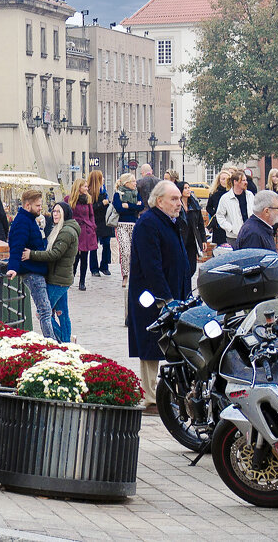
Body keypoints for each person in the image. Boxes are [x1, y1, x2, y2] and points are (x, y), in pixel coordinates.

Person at [127, 180, 192, 411]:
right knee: (150, 345)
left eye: (179, 198)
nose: (179, 203)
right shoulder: (148, 222)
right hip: (152, 298)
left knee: (174, 343)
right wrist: (165, 297)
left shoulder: (171, 221)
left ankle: (174, 394)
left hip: (175, 294)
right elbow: (151, 265)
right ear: (159, 201)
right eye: (173, 199)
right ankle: (151, 397)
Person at [23, 201, 79, 343]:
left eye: (59, 211)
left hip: (58, 279)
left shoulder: (66, 232)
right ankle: (67, 344)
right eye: (54, 211)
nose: (55, 214)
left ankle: (64, 341)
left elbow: (54, 254)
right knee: (62, 313)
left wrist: (32, 254)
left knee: (43, 312)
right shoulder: (59, 228)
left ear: (65, 214)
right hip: (60, 277)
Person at [5, 189, 55, 339]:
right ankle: (51, 343)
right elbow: (16, 247)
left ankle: (53, 341)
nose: (40, 208)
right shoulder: (22, 221)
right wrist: (13, 268)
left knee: (46, 310)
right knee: (45, 311)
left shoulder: (29, 219)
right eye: (38, 205)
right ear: (28, 205)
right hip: (32, 271)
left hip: (36, 268)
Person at [112, 173, 143, 287]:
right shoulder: (118, 194)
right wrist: (134, 206)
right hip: (121, 225)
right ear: (126, 183)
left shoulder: (136, 193)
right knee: (125, 250)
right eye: (133, 181)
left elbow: (141, 207)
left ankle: (135, 275)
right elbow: (119, 208)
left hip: (135, 225)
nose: (135, 183)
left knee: (135, 251)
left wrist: (128, 206)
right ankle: (125, 275)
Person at [66, 178, 97, 292]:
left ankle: (82, 281)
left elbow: (91, 215)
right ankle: (71, 278)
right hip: (75, 230)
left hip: (86, 230)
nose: (87, 188)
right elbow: (66, 214)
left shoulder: (88, 199)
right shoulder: (69, 199)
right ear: (79, 187)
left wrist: (92, 226)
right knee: (74, 256)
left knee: (84, 256)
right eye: (85, 186)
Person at [177, 181, 207, 275]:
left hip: (192, 239)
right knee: (181, 265)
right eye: (185, 188)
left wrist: (203, 239)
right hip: (180, 239)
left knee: (192, 267)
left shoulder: (194, 204)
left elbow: (200, 224)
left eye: (188, 188)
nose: (188, 190)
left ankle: (186, 281)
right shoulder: (176, 205)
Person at [215, 170, 252, 245]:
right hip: (233, 237)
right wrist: (230, 228)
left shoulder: (250, 195)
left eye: (246, 180)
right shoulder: (225, 198)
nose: (246, 182)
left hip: (249, 235)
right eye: (243, 180)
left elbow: (255, 213)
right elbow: (220, 216)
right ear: (235, 182)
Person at [87, 170, 112, 276]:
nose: (104, 179)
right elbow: (91, 208)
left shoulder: (104, 190)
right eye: (102, 177)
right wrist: (102, 203)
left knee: (106, 244)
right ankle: (94, 269)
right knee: (93, 246)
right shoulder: (89, 193)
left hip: (105, 222)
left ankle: (104, 266)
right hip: (95, 221)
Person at [206, 169, 233, 246]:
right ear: (219, 180)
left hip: (230, 222)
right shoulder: (214, 192)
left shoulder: (232, 192)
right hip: (218, 224)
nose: (225, 181)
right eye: (223, 179)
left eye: (227, 179)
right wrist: (216, 214)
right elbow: (208, 207)